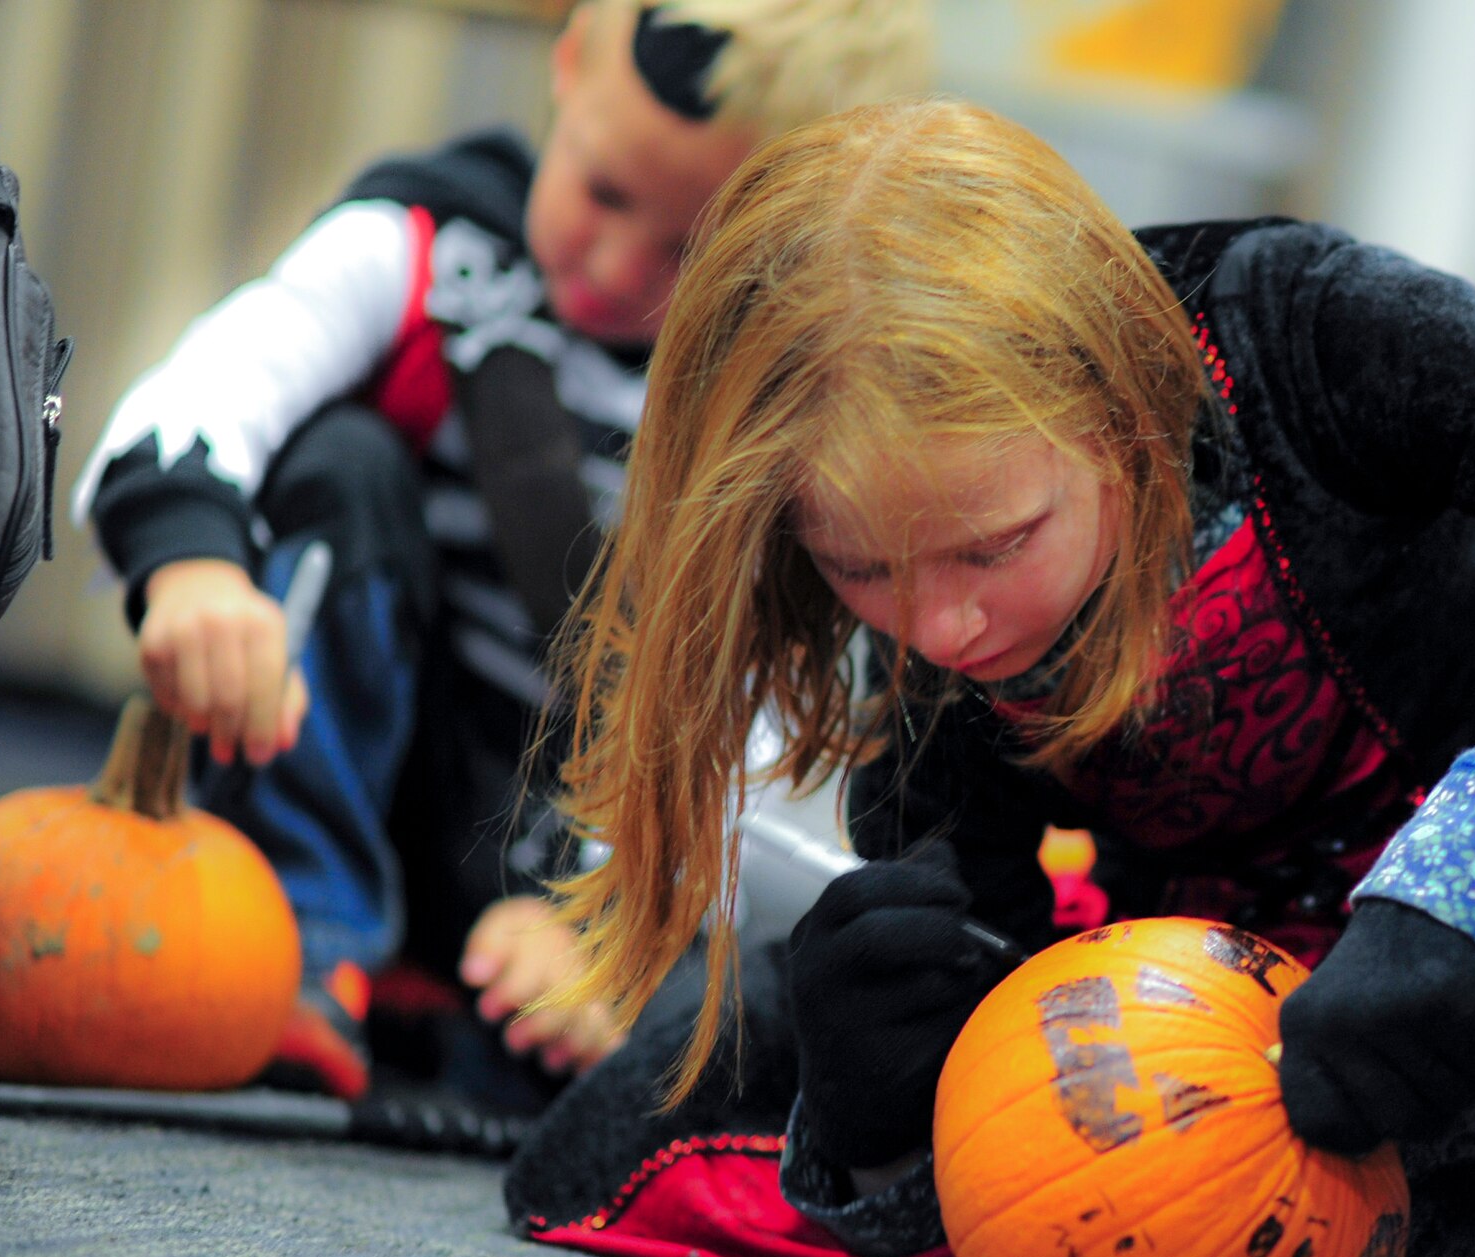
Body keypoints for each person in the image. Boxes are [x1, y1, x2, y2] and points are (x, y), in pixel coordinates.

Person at [504, 98, 1475, 1257]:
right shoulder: (932, 628)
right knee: (602, 1157)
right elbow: (982, 938)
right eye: (861, 563)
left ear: (1117, 412)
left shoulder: (1306, 331)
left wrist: (1464, 898)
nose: (943, 626)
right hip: (1180, 1002)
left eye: (996, 546)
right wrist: (881, 1116)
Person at [69, 0, 932, 1100]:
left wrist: (610, 927)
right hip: (352, 755)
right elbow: (214, 387)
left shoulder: (760, 405)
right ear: (567, 69)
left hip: (571, 852)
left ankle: (548, 983)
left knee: (739, 616)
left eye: (689, 248)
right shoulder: (430, 251)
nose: (618, 266)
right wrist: (191, 565)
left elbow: (759, 716)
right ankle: (303, 927)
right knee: (339, 457)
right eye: (603, 194)